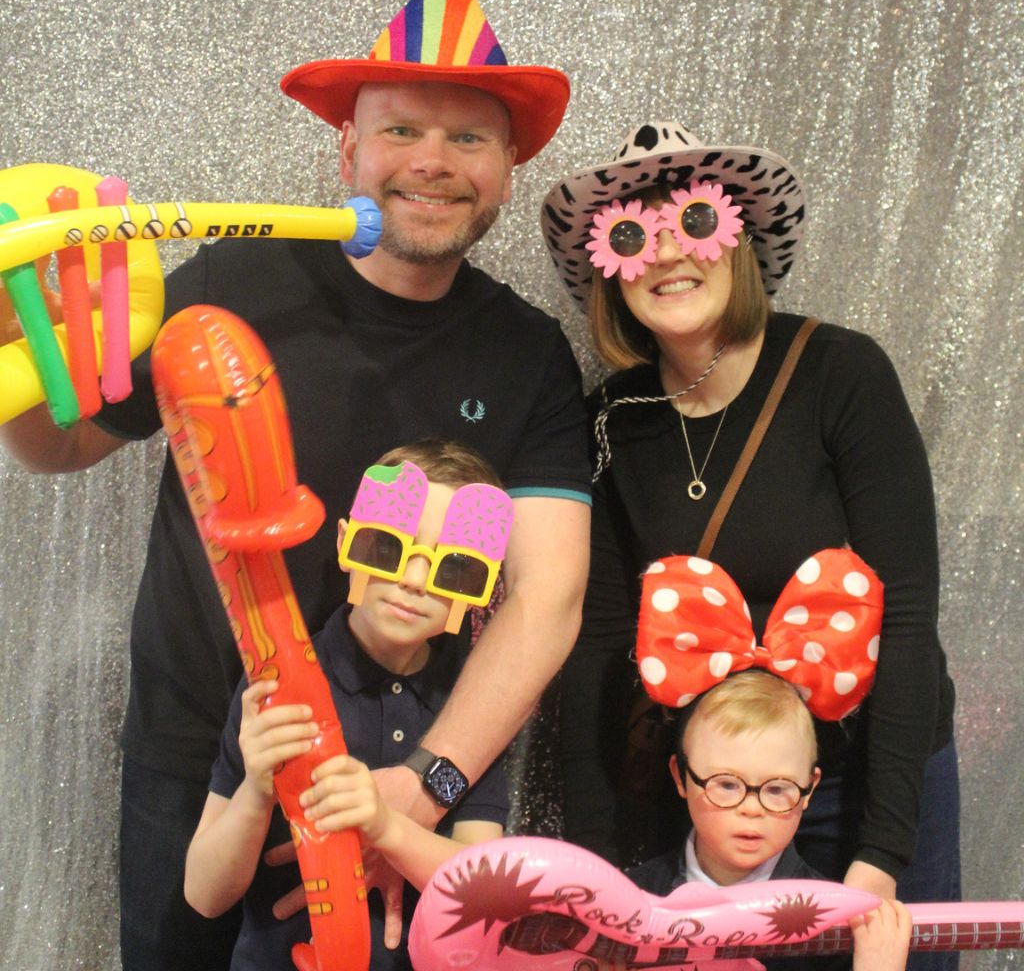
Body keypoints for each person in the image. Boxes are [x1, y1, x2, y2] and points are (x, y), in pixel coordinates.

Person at [0, 0, 591, 971]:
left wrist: (425, 785)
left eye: (468, 139)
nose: (432, 160)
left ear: (506, 174)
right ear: (347, 152)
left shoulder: (527, 354)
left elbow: (548, 593)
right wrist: (19, 349)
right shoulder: (232, 282)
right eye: (399, 128)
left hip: (399, 771)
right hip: (198, 760)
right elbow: (61, 448)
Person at [540, 121, 958, 970]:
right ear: (608, 270)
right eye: (633, 235)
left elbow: (908, 616)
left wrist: (880, 856)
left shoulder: (841, 373)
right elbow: (596, 644)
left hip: (863, 775)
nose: (666, 256)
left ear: (739, 239)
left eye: (692, 223)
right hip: (706, 794)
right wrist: (593, 872)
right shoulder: (613, 418)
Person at [185, 440, 510, 969]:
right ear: (346, 541)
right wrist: (256, 790)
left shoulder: (470, 708)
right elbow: (204, 892)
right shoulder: (277, 681)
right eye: (387, 547)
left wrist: (389, 828)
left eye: (453, 570)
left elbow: (485, 894)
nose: (412, 580)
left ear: (482, 587)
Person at [627, 669, 912, 971]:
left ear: (809, 789)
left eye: (777, 789)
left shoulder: (838, 924)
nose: (752, 809)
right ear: (681, 778)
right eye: (725, 784)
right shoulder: (631, 900)